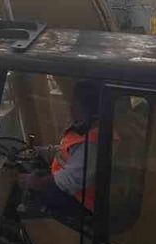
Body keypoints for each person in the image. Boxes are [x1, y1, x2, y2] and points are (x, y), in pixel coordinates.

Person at [21, 81, 100, 215]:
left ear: (87, 108)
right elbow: (65, 149)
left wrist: (37, 182)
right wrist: (40, 151)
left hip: (79, 202)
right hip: (69, 187)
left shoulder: (94, 142)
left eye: (75, 104)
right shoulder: (87, 128)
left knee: (27, 203)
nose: (71, 108)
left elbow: (70, 179)